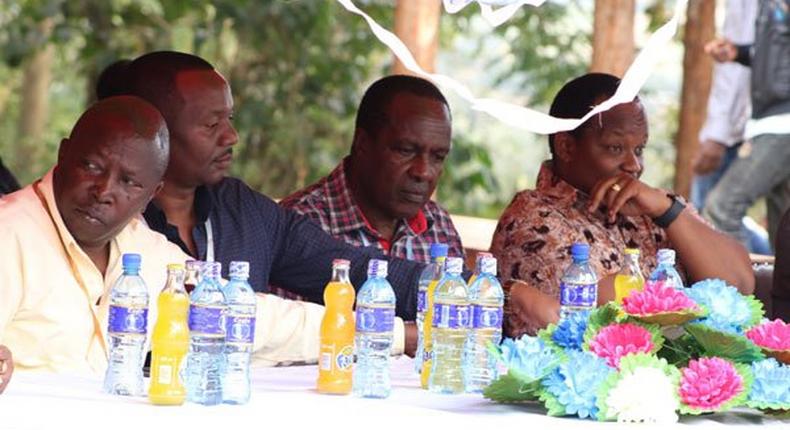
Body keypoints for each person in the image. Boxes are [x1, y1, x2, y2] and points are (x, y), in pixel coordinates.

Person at [0, 96, 379, 373]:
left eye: (129, 182)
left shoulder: (145, 251)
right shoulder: (10, 232)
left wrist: (390, 334)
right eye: (91, 166)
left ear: (151, 194)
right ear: (63, 154)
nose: (103, 192)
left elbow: (254, 318)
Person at [120, 51, 420, 352]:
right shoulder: (111, 220)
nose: (232, 136)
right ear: (157, 131)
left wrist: (446, 288)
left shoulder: (245, 210)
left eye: (230, 119)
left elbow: (352, 268)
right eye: (212, 125)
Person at [490, 73, 754, 337]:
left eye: (639, 150)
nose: (634, 165)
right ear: (566, 147)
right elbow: (586, 319)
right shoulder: (533, 218)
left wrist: (668, 211)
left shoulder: (655, 206)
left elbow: (740, 285)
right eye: (615, 148)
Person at [281, 75, 464, 264]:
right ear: (363, 144)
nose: (424, 172)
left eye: (438, 157)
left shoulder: (439, 227)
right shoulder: (296, 226)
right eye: (406, 151)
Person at [703, 0, 790, 249]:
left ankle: (739, 288)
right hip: (771, 119)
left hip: (783, 124)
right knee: (784, 227)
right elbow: (776, 51)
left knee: (721, 209)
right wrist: (738, 53)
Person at [691, 0, 770, 255]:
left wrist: (718, 135)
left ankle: (743, 292)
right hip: (739, 127)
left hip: (756, 127)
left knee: (717, 212)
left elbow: (742, 74)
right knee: (709, 214)